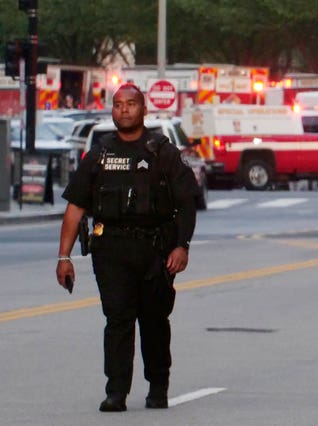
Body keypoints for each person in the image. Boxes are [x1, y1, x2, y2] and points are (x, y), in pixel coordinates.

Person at [55, 83, 198, 412]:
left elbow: (186, 204)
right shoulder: (100, 154)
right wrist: (64, 256)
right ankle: (115, 391)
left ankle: (158, 385)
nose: (124, 110)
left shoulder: (161, 151)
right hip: (111, 250)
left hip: (155, 250)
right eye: (118, 105)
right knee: (117, 320)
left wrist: (182, 246)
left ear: (143, 109)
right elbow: (75, 208)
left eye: (130, 104)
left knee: (153, 320)